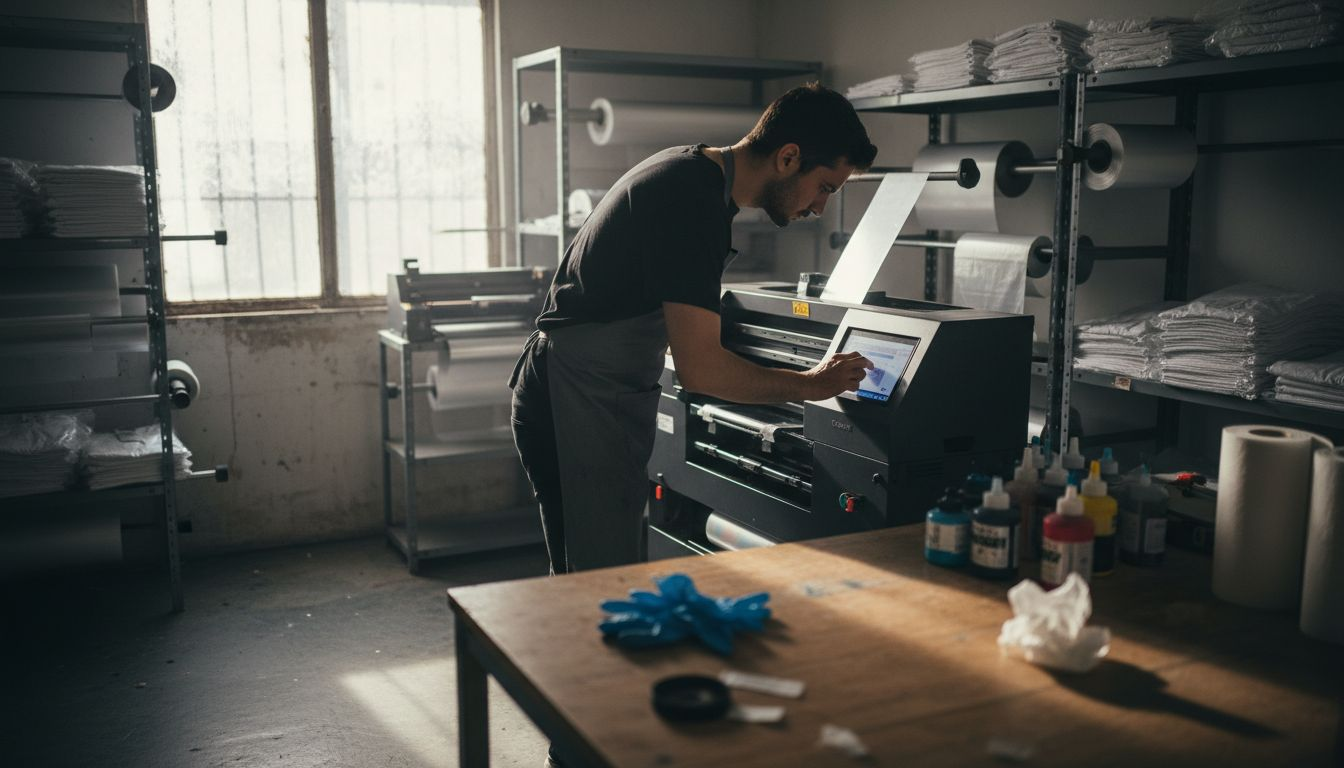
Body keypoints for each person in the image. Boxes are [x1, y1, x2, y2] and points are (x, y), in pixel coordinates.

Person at [509, 83, 878, 577]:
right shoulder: (693, 200)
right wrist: (811, 384)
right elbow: (702, 372)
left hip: (581, 391)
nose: (819, 207)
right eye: (825, 187)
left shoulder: (691, 172)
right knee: (599, 587)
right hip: (577, 398)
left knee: (586, 582)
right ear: (788, 157)